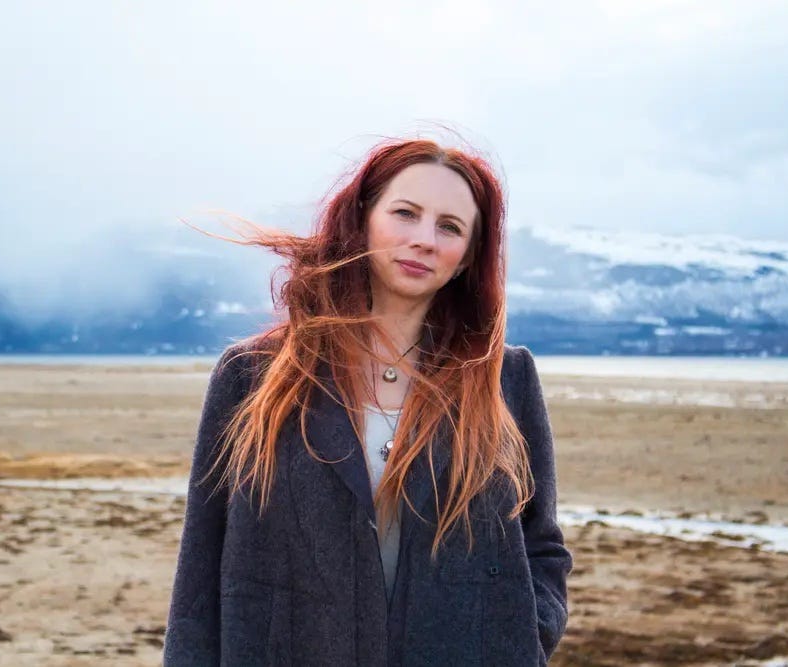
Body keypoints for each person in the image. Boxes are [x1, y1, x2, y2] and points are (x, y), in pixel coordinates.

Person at [164, 138, 573, 665]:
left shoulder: (503, 378)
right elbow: (200, 565)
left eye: (450, 227)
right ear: (363, 218)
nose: (424, 239)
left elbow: (542, 544)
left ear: (468, 255)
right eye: (405, 213)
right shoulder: (255, 376)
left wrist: (523, 632)